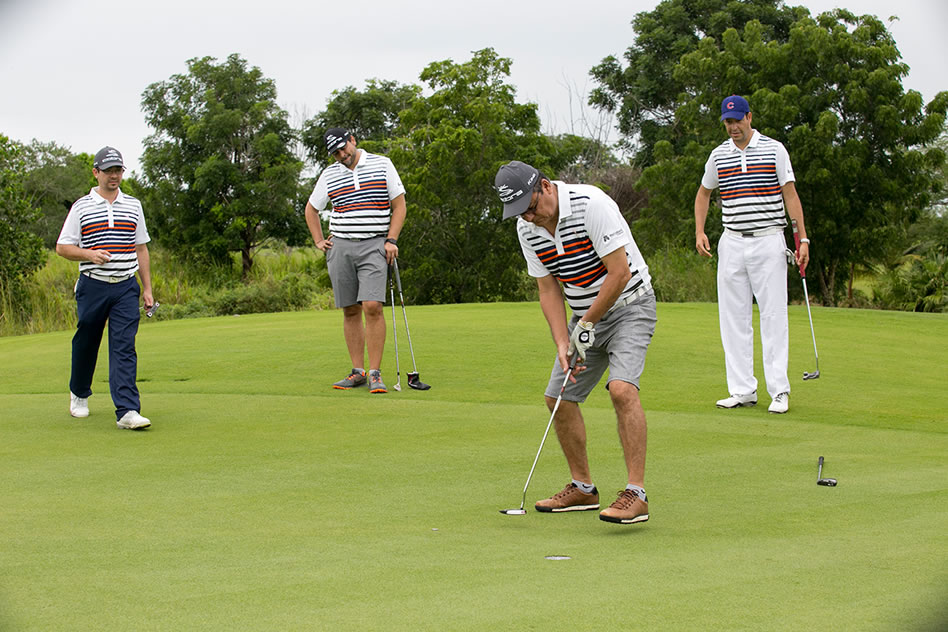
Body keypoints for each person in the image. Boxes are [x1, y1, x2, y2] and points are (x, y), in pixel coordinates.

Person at [494, 161, 657, 525]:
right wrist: (562, 339)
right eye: (520, 212)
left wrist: (585, 324)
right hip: (584, 317)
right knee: (558, 398)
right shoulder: (527, 228)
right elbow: (548, 287)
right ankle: (583, 488)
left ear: (546, 186)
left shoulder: (591, 204)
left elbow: (619, 273)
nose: (529, 217)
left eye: (531, 206)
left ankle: (637, 494)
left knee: (621, 390)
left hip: (630, 306)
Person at [694, 95, 810, 414]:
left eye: (736, 120)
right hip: (732, 242)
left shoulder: (774, 149)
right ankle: (743, 389)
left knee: (773, 315)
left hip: (768, 239)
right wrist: (700, 230)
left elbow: (790, 194)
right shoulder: (719, 156)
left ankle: (779, 390)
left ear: (748, 118)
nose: (732, 127)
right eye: (727, 122)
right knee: (733, 317)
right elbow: (704, 193)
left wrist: (802, 239)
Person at [56, 146, 155, 430]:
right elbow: (63, 247)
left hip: (125, 286)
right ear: (96, 172)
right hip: (93, 286)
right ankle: (79, 392)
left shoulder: (133, 205)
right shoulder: (81, 207)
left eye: (118, 170)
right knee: (87, 340)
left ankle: (127, 410)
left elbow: (141, 249)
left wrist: (147, 289)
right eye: (109, 170)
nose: (114, 176)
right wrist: (90, 254)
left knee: (124, 347)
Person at [305, 128, 406, 394]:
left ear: (353, 141)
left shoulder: (382, 164)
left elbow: (400, 206)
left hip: (374, 243)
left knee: (372, 305)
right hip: (341, 246)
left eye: (343, 148)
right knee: (350, 309)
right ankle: (357, 372)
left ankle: (375, 373)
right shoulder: (330, 174)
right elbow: (311, 208)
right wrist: (318, 241)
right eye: (336, 153)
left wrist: (391, 239)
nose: (341, 155)